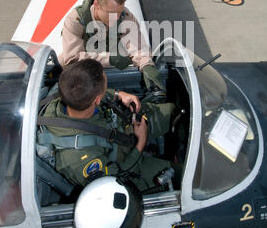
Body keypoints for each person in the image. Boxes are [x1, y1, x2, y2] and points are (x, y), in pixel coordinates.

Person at [37, 59, 176, 192]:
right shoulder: (78, 160)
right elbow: (116, 180)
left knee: (175, 112)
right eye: (105, 89)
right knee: (180, 171)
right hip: (127, 165)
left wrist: (118, 94)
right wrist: (141, 142)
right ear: (97, 99)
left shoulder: (68, 91)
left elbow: (89, 93)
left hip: (125, 127)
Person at [59, 0, 164, 91]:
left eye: (120, 12)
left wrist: (147, 65)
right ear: (96, 5)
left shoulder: (125, 16)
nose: (117, 18)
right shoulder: (76, 20)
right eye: (111, 13)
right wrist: (110, 59)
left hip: (114, 66)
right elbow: (72, 59)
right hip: (81, 72)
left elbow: (136, 47)